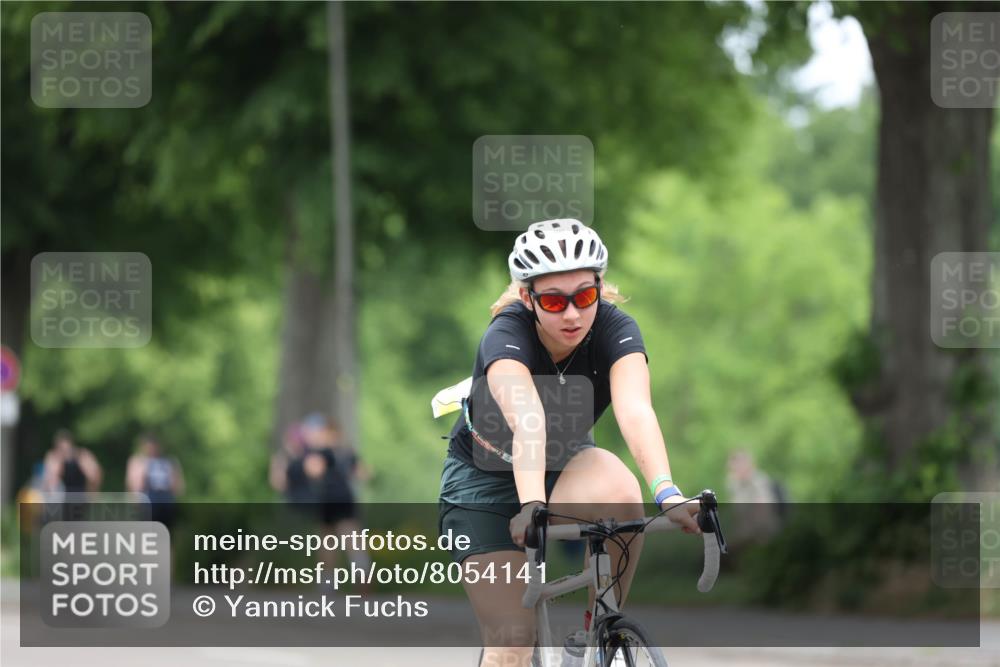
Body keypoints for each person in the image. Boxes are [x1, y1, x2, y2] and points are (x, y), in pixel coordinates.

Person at [437, 219, 701, 666]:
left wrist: (668, 491)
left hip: (562, 464)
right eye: (555, 302)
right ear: (528, 297)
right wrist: (530, 506)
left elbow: (635, 410)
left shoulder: (616, 330)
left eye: (584, 297)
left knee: (621, 493)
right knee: (512, 642)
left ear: (599, 286)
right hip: (484, 485)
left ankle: (596, 631)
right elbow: (529, 423)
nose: (573, 315)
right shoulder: (506, 336)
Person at [126, 432, 185, 529]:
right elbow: (134, 485)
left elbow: (178, 486)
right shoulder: (138, 461)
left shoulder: (168, 461)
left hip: (166, 500)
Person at [43, 429, 102, 494]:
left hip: (81, 496)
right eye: (62, 449)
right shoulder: (53, 457)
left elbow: (94, 476)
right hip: (62, 498)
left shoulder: (82, 455)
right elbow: (51, 482)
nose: (64, 452)